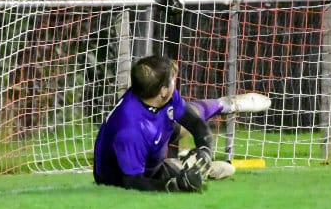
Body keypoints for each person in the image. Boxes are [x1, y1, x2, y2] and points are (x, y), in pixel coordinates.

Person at [93, 54, 270, 192]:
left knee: (189, 114)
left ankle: (225, 104)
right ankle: (189, 165)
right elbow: (133, 182)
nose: (175, 82)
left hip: (153, 147)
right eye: (173, 80)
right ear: (163, 91)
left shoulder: (156, 94)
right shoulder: (130, 130)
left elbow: (194, 122)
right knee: (221, 170)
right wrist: (174, 185)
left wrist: (205, 150)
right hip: (126, 176)